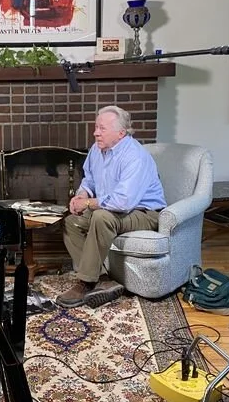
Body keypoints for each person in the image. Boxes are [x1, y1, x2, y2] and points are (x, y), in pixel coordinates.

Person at [57, 106, 166, 309]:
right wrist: (82, 195)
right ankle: (102, 280)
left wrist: (88, 203)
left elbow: (123, 202)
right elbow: (89, 180)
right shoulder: (96, 149)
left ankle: (85, 283)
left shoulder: (135, 156)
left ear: (121, 133)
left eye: (102, 128)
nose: (96, 132)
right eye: (96, 127)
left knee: (101, 217)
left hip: (144, 213)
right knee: (71, 222)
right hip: (112, 210)